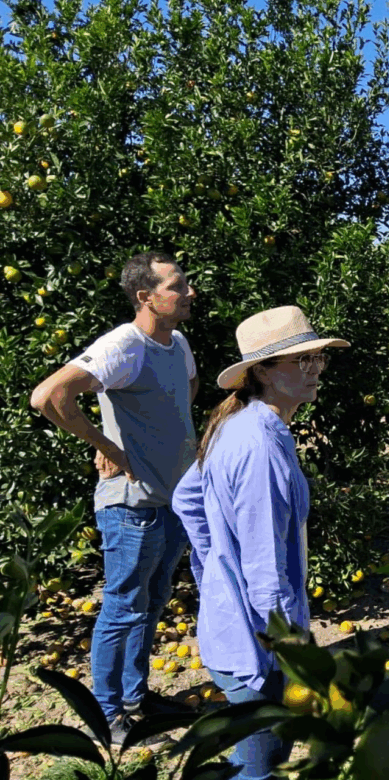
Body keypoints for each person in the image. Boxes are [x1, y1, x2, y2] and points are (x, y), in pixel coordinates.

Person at [171, 306, 348, 780]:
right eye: (301, 360)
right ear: (263, 371)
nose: (315, 371)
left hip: (232, 624)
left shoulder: (241, 424)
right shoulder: (261, 447)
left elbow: (186, 498)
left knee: (252, 759)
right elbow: (266, 571)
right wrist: (295, 656)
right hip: (257, 641)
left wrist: (216, 572)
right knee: (258, 765)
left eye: (319, 359)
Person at [30, 251, 199, 743]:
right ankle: (106, 715)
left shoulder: (177, 342)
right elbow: (49, 396)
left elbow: (186, 386)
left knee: (152, 602)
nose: (189, 293)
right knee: (123, 608)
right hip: (131, 505)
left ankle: (135, 696)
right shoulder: (124, 345)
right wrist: (107, 445)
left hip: (170, 500)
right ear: (146, 297)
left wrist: (172, 438)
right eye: (178, 286)